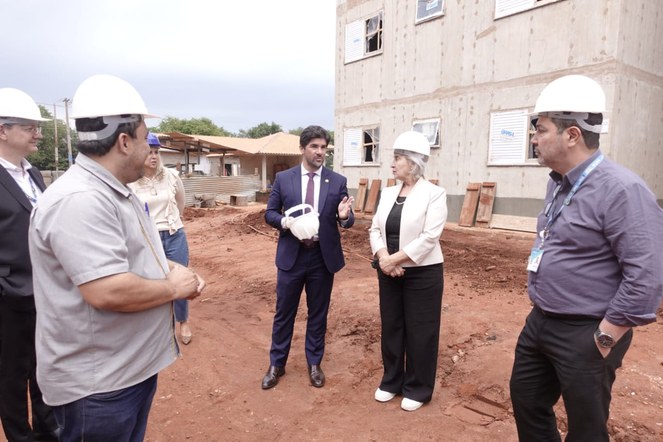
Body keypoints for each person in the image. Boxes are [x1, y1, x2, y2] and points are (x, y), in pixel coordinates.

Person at [28, 74, 206, 442]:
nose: (150, 151)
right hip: (99, 389)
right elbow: (106, 290)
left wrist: (174, 270)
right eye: (144, 139)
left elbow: (136, 256)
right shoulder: (81, 200)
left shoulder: (113, 192)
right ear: (124, 142)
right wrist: (173, 287)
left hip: (123, 374)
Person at [509, 74, 663, 441]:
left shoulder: (623, 190)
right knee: (527, 399)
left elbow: (647, 275)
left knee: (586, 427)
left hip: (588, 330)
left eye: (540, 129)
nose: (533, 138)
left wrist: (604, 338)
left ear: (572, 135)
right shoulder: (557, 182)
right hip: (541, 320)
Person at [262, 125, 355, 389]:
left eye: (324, 147)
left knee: (318, 314)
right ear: (302, 148)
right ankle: (276, 364)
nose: (320, 152)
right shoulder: (284, 179)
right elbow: (270, 213)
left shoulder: (337, 181)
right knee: (284, 313)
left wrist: (345, 216)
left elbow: (346, 219)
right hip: (291, 256)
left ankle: (314, 364)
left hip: (321, 258)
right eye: (314, 146)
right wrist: (286, 222)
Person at [368, 131, 447, 412]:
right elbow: (375, 229)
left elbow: (430, 237)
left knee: (421, 331)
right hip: (388, 270)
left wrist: (395, 260)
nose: (392, 163)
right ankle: (392, 381)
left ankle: (418, 387)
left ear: (413, 163)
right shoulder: (388, 193)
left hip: (423, 273)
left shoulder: (434, 194)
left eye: (398, 158)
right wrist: (384, 258)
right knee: (392, 327)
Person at [0, 88, 59, 441]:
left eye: (37, 127)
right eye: (29, 127)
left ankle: (48, 433)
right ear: (2, 130)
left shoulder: (33, 174)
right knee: (10, 376)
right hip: (8, 299)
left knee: (44, 368)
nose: (38, 134)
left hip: (43, 293)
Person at [128, 133, 193, 344]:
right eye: (149, 152)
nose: (154, 156)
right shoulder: (131, 181)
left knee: (180, 277)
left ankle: (183, 322)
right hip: (148, 238)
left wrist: (172, 221)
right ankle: (158, 327)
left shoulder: (171, 176)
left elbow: (180, 202)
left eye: (156, 152)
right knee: (151, 281)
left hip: (174, 235)